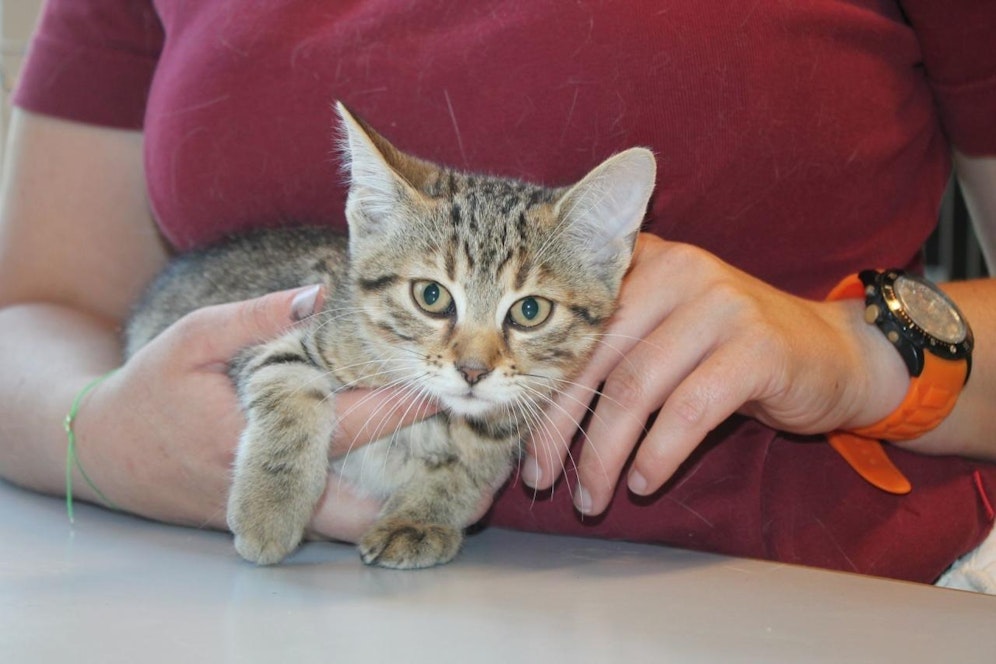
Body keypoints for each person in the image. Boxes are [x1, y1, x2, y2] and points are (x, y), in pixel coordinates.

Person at [1, 0, 994, 586]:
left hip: (805, 608)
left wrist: (861, 351)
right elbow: (34, 312)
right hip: (232, 601)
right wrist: (98, 433)